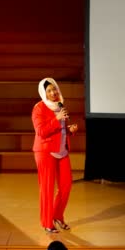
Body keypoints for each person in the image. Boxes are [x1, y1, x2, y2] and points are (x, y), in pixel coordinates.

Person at [32, 77, 79, 233]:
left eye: (54, 89)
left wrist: (70, 130)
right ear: (44, 93)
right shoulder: (39, 108)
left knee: (66, 184)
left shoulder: (60, 105)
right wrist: (56, 119)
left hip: (61, 150)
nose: (53, 93)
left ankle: (57, 216)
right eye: (49, 91)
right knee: (47, 188)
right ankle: (47, 223)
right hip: (45, 151)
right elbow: (41, 131)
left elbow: (62, 131)